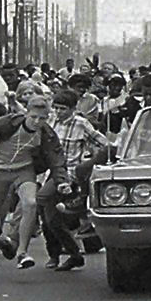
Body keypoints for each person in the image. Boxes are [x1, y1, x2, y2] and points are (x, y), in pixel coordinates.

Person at [0, 96, 69, 270]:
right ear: (26, 113)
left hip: (24, 171)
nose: (37, 121)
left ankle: (22, 252)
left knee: (31, 203)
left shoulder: (47, 134)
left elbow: (57, 160)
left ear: (48, 117)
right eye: (33, 117)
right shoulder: (9, 123)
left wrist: (62, 181)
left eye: (42, 118)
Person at [45, 90, 108, 271]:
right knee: (48, 218)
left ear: (73, 109)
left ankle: (69, 253)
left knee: (51, 215)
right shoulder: (49, 122)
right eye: (56, 108)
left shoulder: (81, 124)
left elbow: (103, 144)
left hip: (69, 174)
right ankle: (62, 254)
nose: (58, 112)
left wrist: (89, 165)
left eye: (63, 108)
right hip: (48, 173)